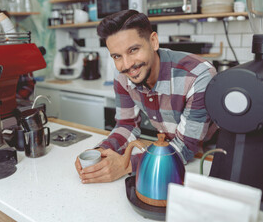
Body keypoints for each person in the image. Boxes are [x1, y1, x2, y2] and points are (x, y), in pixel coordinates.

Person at [75, 10, 217, 183]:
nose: (126, 65)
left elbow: (186, 147)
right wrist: (101, 151)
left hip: (208, 159)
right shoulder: (122, 75)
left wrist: (126, 165)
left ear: (153, 41)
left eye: (133, 50)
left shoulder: (198, 75)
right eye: (117, 56)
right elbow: (126, 125)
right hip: (166, 152)